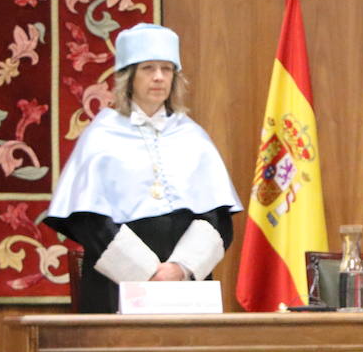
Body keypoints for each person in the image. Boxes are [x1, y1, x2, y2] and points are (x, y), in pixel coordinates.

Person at [44, 23, 242, 313]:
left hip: (185, 287)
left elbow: (218, 220)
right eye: (148, 68)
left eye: (167, 68)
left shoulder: (194, 137)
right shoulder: (101, 136)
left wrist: (178, 269)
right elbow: (89, 220)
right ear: (129, 76)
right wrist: (147, 273)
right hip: (116, 284)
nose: (159, 77)